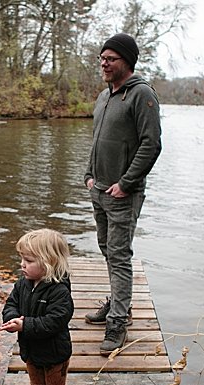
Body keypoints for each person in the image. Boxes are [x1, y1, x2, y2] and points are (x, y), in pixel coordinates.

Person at [84, 33, 162, 352]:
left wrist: (126, 183)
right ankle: (118, 302)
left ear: (126, 62)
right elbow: (96, 140)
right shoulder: (104, 97)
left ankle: (118, 320)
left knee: (118, 254)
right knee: (107, 248)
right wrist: (89, 175)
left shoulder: (141, 94)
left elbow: (151, 144)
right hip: (99, 189)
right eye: (102, 58)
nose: (103, 63)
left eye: (110, 58)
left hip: (122, 194)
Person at [0, 229, 74, 385]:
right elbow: (11, 304)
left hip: (54, 353)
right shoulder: (23, 284)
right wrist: (12, 319)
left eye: (29, 260)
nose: (22, 264)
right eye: (22, 258)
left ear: (49, 263)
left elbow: (55, 321)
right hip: (31, 350)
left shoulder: (59, 291)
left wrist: (26, 325)